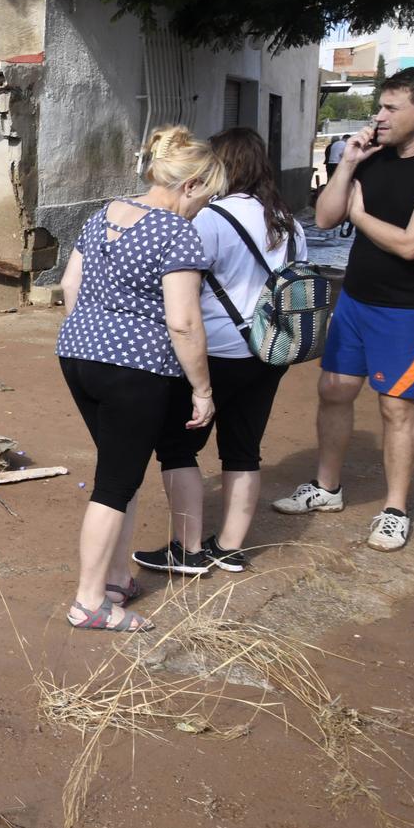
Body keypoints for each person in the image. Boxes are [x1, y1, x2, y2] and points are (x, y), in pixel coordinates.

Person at [273, 68, 414, 550]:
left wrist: (361, 216)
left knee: (396, 407)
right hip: (358, 298)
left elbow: (411, 245)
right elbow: (323, 217)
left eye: (391, 108)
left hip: (410, 309)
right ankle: (326, 488)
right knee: (334, 390)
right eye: (380, 106)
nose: (379, 116)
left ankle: (395, 509)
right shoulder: (371, 154)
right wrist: (348, 164)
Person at [56, 126, 225, 631]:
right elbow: (184, 321)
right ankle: (90, 602)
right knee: (114, 483)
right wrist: (202, 389)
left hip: (79, 356)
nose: (202, 208)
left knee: (120, 471)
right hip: (136, 369)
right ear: (189, 184)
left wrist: (94, 334)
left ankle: (113, 580)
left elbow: (70, 284)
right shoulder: (176, 233)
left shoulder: (103, 213)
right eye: (206, 197)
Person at [134, 129, 309, 576]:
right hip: (271, 350)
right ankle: (229, 547)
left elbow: (177, 287)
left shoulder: (209, 219)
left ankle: (186, 548)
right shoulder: (287, 221)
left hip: (214, 349)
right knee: (244, 448)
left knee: (177, 446)